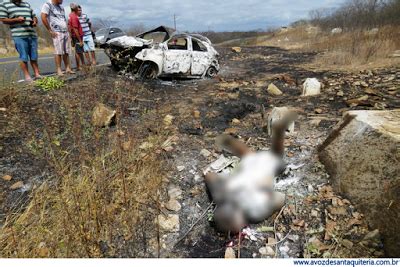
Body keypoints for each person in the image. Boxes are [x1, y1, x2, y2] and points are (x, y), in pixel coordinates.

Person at [0, 0, 41, 82]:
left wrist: (35, 21)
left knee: (34, 56)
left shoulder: (26, 3)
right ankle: (27, 76)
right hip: (19, 35)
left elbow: (34, 16)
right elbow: (3, 19)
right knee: (24, 56)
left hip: (32, 34)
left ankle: (37, 74)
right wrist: (16, 20)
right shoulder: (4, 4)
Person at [41, 0, 74, 76]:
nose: (62, 0)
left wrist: (68, 32)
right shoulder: (48, 4)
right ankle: (59, 70)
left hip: (65, 31)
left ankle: (68, 68)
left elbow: (63, 19)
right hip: (56, 31)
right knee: (58, 51)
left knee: (66, 51)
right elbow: (43, 17)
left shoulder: (61, 7)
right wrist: (50, 30)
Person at [68, 3, 85, 70]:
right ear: (75, 9)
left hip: (74, 36)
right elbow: (75, 29)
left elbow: (69, 27)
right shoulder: (74, 17)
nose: (78, 10)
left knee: (80, 51)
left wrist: (71, 36)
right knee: (78, 52)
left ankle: (83, 64)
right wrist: (80, 40)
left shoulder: (70, 15)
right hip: (77, 36)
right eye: (77, 8)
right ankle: (79, 66)